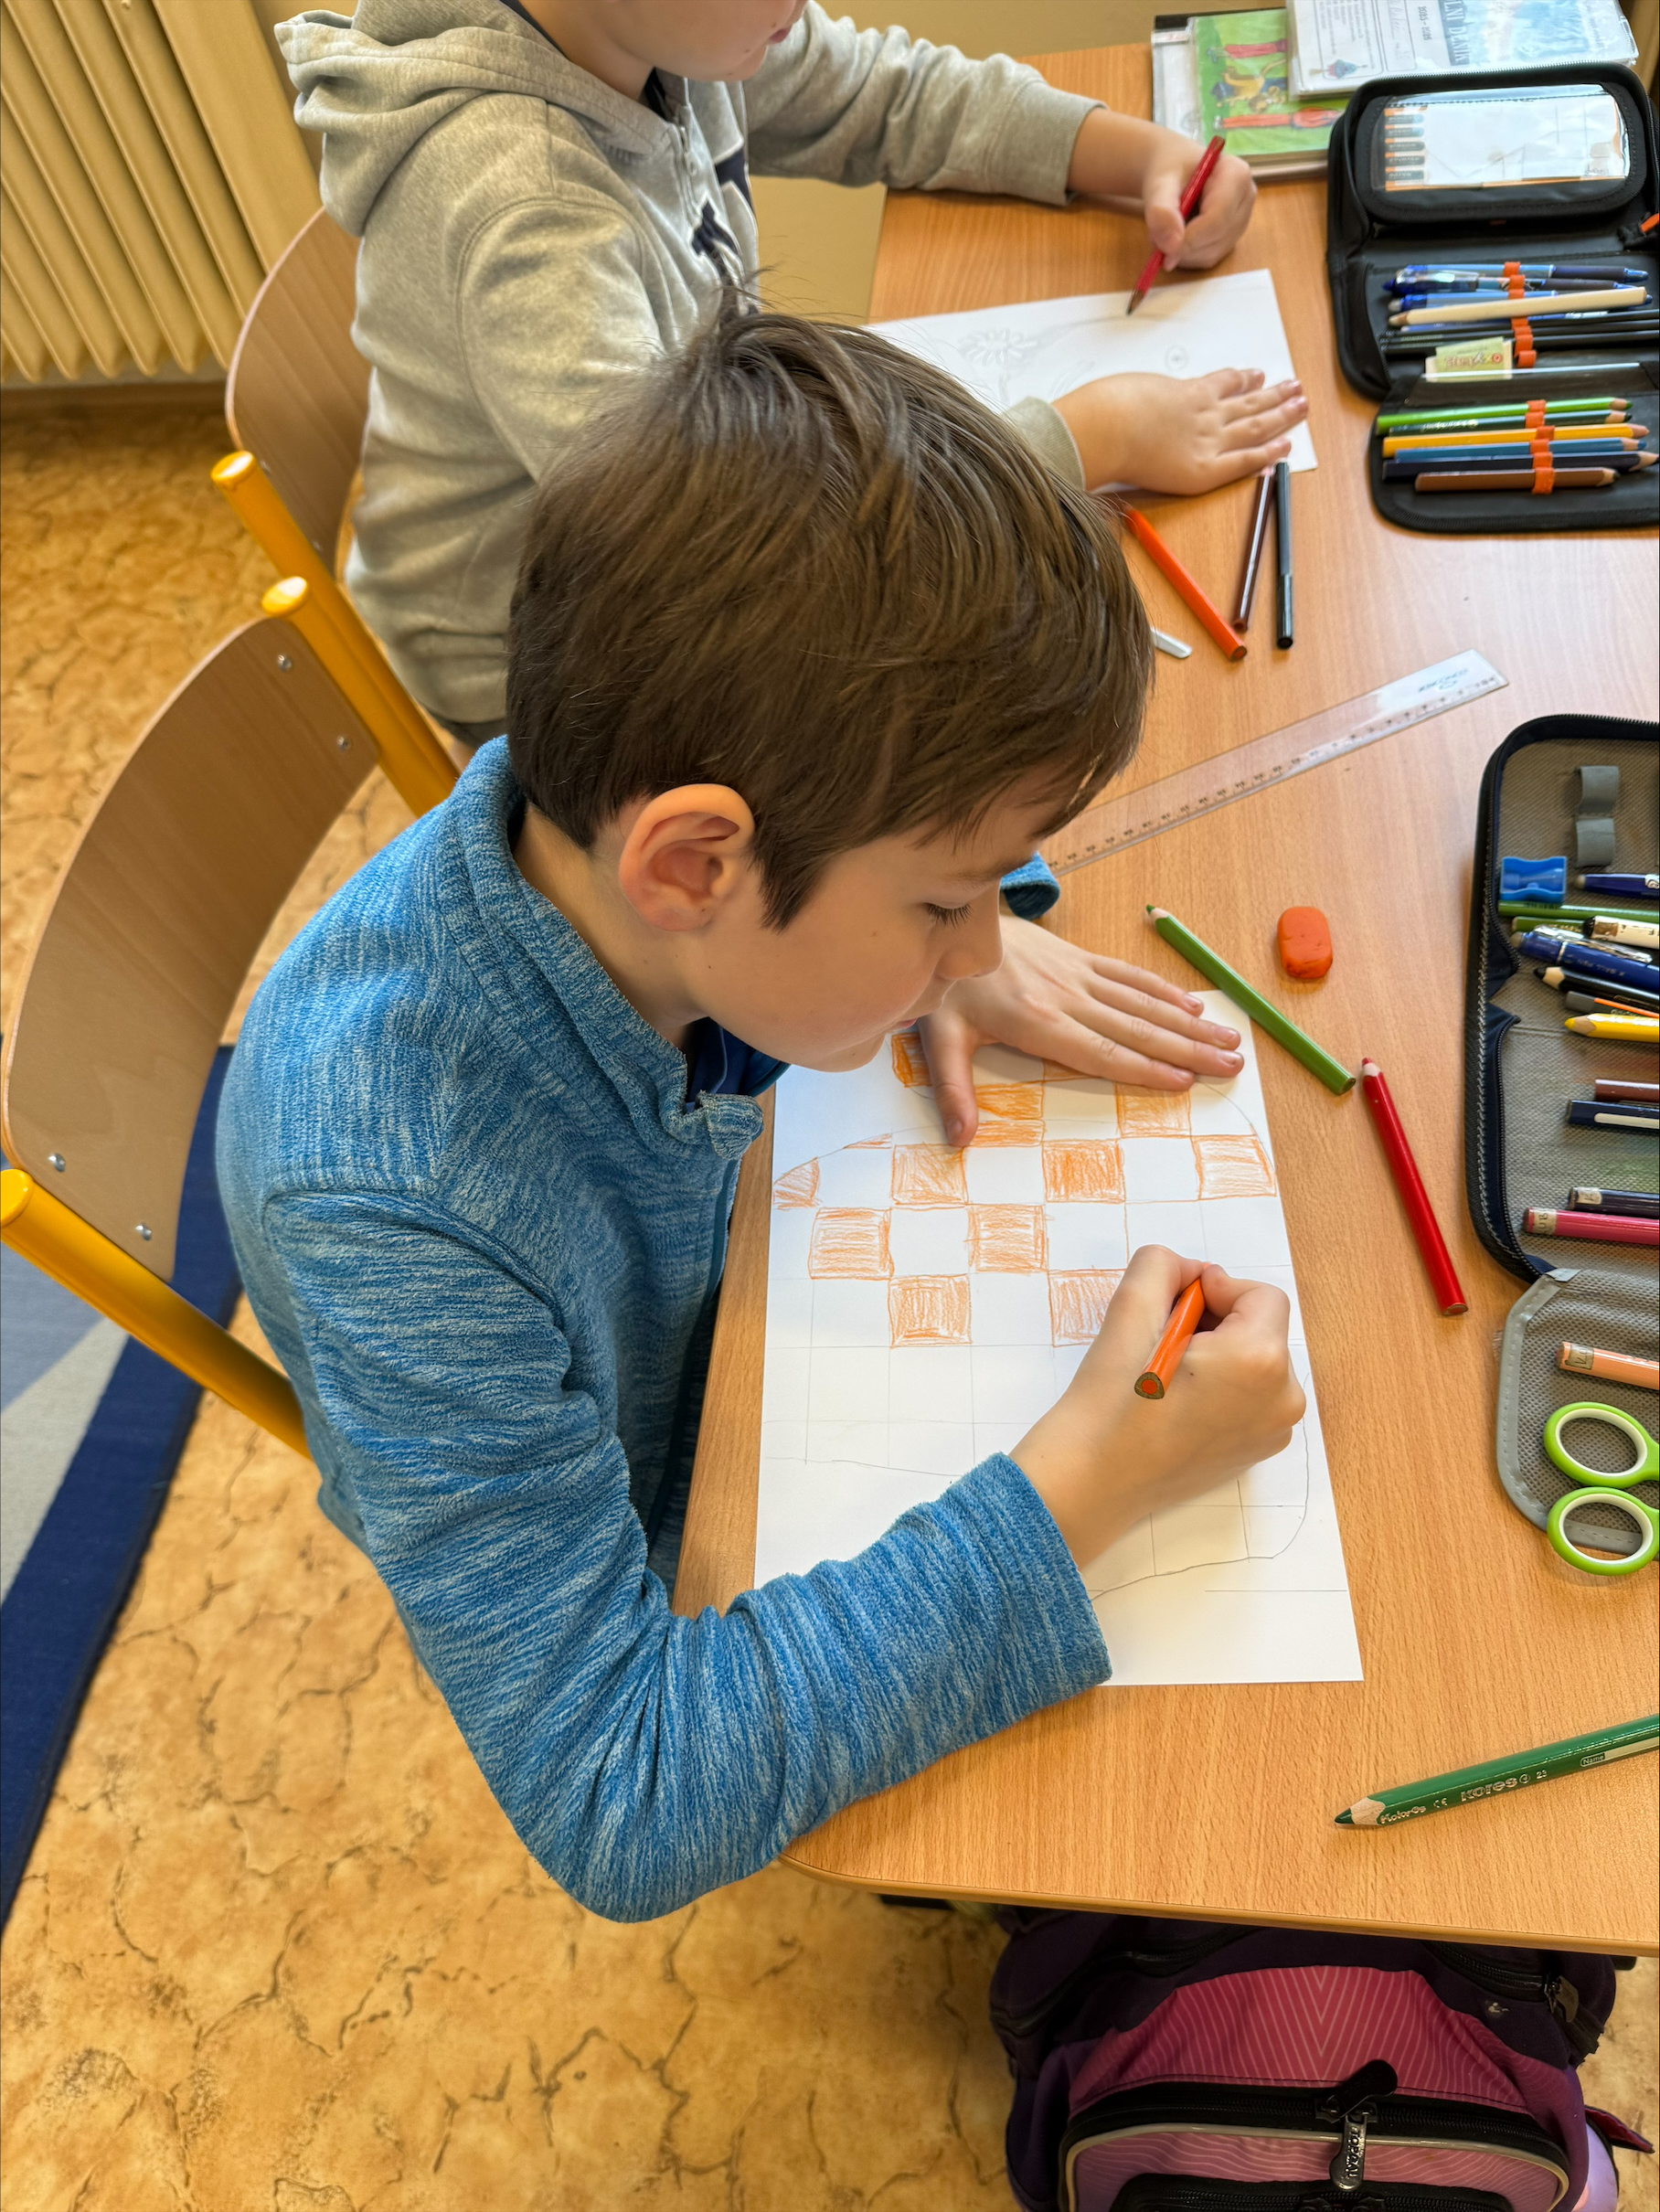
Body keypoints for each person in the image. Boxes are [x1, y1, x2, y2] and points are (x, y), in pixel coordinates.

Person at [217, 305, 1307, 1922]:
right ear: (691, 867)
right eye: (944, 901)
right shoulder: (392, 1199)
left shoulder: (628, 832)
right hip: (674, 1501)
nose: (987, 949)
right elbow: (621, 1789)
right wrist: (1089, 1480)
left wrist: (936, 949)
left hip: (748, 1330)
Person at [274, 0, 1301, 1122]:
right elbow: (711, 569)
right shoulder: (524, 202)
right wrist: (1082, 438)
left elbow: (872, 91)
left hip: (727, 596)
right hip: (561, 679)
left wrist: (1124, 152)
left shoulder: (665, 35)